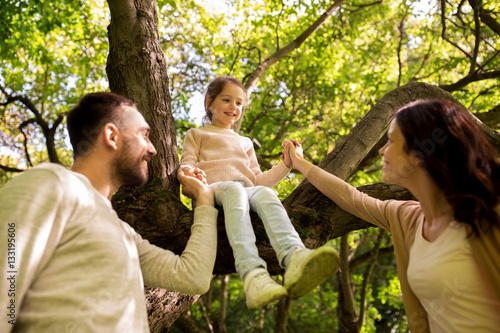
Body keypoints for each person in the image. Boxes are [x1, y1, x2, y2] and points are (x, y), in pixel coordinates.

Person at [0, 92, 218, 333]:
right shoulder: (51, 184)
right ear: (112, 136)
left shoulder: (124, 234)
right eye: (144, 135)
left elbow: (193, 277)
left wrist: (205, 199)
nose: (153, 149)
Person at [287, 99, 500, 332]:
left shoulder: (489, 212)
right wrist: (299, 163)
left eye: (390, 141)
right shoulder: (407, 219)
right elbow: (350, 197)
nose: (381, 150)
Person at [179, 76, 339, 309]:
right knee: (235, 188)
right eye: (227, 100)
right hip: (211, 191)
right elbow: (186, 164)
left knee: (265, 193)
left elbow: (257, 179)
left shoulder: (245, 142)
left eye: (239, 104)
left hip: (244, 190)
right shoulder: (197, 134)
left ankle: (294, 256)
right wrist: (193, 174)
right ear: (210, 103)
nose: (234, 107)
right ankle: (252, 275)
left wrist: (286, 164)